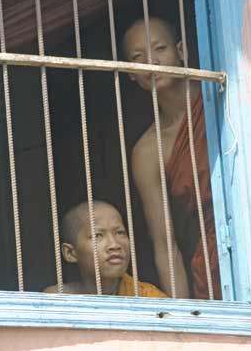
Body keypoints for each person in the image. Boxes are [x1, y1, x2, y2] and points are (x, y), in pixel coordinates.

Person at [123, 17, 221, 299]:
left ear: (181, 50)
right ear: (130, 73)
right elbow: (165, 244)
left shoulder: (221, 93)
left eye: (160, 49)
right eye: (138, 58)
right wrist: (184, 316)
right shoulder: (147, 151)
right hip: (214, 262)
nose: (151, 63)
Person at [44, 200, 168, 297]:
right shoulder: (59, 300)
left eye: (120, 232)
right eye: (98, 235)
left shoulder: (148, 298)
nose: (114, 245)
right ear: (70, 253)